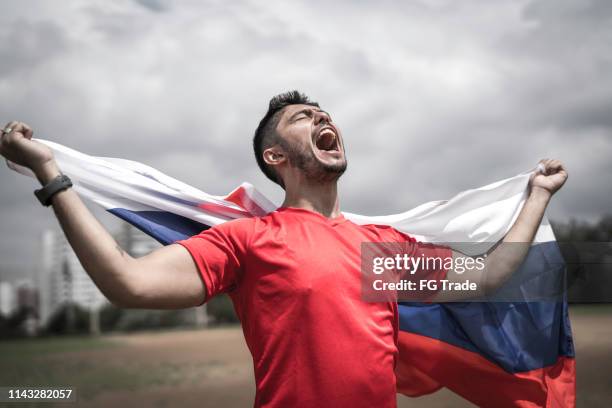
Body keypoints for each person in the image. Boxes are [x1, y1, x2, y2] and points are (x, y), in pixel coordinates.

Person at [0, 90, 568, 407]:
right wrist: (50, 174)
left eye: (325, 114)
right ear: (276, 158)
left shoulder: (381, 250)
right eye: (303, 117)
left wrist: (537, 197)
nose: (323, 117)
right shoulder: (248, 240)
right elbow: (128, 283)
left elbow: (489, 277)